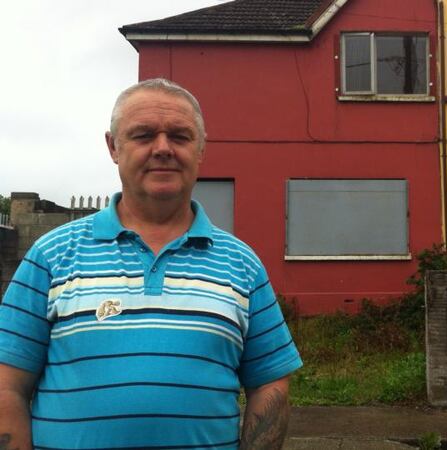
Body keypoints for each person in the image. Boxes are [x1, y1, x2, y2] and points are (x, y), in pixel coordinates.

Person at [0, 78, 302, 449]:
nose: (162, 149)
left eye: (180, 136)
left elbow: (270, 383)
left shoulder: (242, 265)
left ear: (201, 148)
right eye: (143, 135)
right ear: (113, 146)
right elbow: (7, 384)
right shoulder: (51, 255)